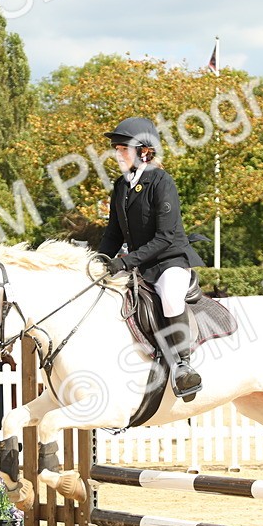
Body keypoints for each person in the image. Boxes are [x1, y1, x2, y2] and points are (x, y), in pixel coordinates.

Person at [98, 116, 206, 398]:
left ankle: (183, 365)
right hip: (139, 264)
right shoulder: (121, 186)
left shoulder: (161, 181)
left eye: (123, 149)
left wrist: (125, 261)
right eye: (117, 149)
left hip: (170, 260)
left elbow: (165, 236)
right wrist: (98, 261)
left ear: (144, 151)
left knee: (170, 295)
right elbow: (113, 234)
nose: (118, 154)